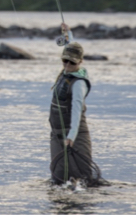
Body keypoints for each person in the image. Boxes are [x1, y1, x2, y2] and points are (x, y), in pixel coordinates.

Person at [48, 23, 103, 186]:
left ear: (80, 61)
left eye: (71, 63)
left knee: (83, 181)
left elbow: (77, 111)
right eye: (64, 61)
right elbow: (70, 47)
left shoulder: (79, 83)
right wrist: (68, 34)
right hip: (57, 135)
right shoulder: (68, 69)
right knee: (59, 181)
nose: (67, 65)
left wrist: (71, 137)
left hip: (74, 136)